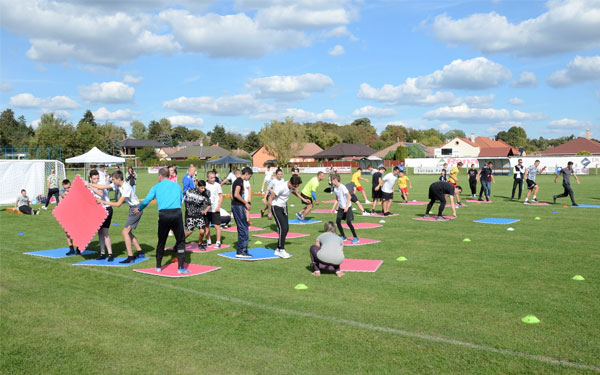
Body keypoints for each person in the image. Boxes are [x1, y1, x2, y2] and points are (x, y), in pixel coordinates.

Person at [135, 167, 188, 274]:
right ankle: (181, 268)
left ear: (160, 175)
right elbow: (181, 198)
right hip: (176, 213)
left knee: (161, 241)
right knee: (180, 241)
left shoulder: (156, 187)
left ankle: (158, 266)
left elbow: (147, 200)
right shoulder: (176, 185)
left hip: (164, 215)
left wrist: (139, 208)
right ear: (169, 175)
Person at [92, 170, 145, 263]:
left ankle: (130, 257)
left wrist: (103, 202)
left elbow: (118, 204)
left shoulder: (126, 187)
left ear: (118, 179)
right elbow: (102, 186)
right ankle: (140, 252)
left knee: (125, 232)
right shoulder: (117, 184)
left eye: (113, 179)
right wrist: (88, 184)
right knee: (128, 232)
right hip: (133, 209)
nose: (112, 181)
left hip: (136, 209)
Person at [268, 174, 308, 258]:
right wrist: (269, 212)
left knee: (286, 228)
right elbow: (270, 198)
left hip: (283, 207)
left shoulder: (291, 187)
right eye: (294, 186)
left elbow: (295, 192)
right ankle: (281, 249)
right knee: (283, 228)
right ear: (290, 183)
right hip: (276, 207)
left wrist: (303, 199)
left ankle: (278, 248)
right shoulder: (281, 187)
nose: (295, 188)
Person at [87, 170, 114, 261]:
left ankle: (110, 254)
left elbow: (101, 194)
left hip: (106, 209)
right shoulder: (90, 185)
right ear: (90, 178)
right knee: (100, 233)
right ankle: (102, 253)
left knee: (105, 232)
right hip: (98, 210)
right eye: (94, 179)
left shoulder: (101, 184)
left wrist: (90, 185)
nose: (96, 180)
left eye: (97, 178)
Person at [231, 167, 253, 258]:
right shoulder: (239, 181)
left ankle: (242, 249)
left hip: (237, 206)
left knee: (243, 227)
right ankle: (241, 251)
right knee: (244, 228)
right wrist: (245, 203)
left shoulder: (238, 181)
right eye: (250, 176)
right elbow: (236, 194)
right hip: (238, 206)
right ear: (246, 174)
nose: (249, 178)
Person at [184, 179, 211, 249]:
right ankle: (179, 242)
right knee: (190, 231)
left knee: (202, 231)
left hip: (199, 214)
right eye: (201, 188)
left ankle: (200, 244)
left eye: (204, 187)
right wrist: (187, 201)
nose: (203, 189)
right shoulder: (191, 191)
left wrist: (205, 211)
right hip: (190, 214)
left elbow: (209, 204)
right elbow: (184, 196)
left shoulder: (206, 193)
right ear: (197, 186)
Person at [331, 174, 359, 243]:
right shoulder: (335, 188)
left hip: (347, 207)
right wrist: (333, 208)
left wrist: (346, 207)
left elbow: (349, 197)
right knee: (338, 222)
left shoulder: (342, 187)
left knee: (348, 222)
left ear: (335, 180)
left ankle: (355, 237)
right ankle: (343, 236)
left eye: (331, 180)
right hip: (341, 207)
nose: (331, 181)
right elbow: (337, 199)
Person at [59, 179, 80, 255]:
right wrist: (63, 197)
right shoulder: (63, 195)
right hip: (66, 215)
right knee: (67, 233)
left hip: (75, 215)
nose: (67, 189)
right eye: (65, 188)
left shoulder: (75, 193)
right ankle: (71, 249)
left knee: (76, 232)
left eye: (68, 187)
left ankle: (78, 248)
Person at [205, 170, 224, 248]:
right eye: (211, 178)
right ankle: (208, 240)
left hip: (215, 209)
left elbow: (221, 196)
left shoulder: (217, 185)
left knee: (217, 226)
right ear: (207, 178)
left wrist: (218, 206)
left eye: (214, 178)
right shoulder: (205, 184)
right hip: (206, 209)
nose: (213, 179)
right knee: (206, 226)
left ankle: (218, 242)